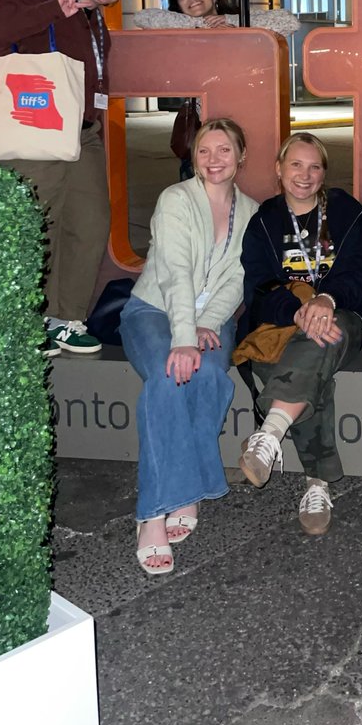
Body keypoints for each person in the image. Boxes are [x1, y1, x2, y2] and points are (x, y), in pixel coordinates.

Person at [0, 0, 141, 354]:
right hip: (37, 130)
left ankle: (64, 319)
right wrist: (57, 7)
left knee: (88, 224)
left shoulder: (96, 19)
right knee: (36, 228)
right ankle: (21, 320)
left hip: (82, 135)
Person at [120, 118, 258, 575]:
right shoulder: (176, 200)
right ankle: (154, 512)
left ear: (241, 156)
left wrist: (206, 323)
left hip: (211, 322)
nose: (213, 160)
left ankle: (186, 488)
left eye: (223, 150)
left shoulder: (253, 213)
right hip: (154, 313)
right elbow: (175, 273)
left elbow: (239, 280)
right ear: (192, 157)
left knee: (213, 377)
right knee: (168, 376)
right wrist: (184, 338)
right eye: (204, 151)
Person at [236, 133, 362, 534]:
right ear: (279, 170)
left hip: (342, 318)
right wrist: (298, 311)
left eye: (314, 167)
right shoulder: (265, 220)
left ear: (324, 173)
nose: (305, 174)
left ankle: (270, 432)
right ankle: (317, 482)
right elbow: (258, 286)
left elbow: (360, 270)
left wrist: (326, 300)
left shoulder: (346, 211)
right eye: (295, 164)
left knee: (323, 334)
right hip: (285, 325)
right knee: (314, 355)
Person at [133, 0, 299, 179]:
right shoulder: (182, 31)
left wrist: (236, 27)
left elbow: (289, 21)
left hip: (250, 121)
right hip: (204, 126)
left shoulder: (241, 19)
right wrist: (200, 25)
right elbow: (143, 17)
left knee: (254, 184)